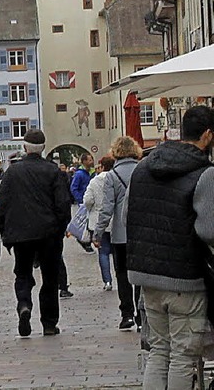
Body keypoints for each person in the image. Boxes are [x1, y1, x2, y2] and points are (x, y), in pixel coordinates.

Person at [126, 106, 214, 389]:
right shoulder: (205, 174)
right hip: (185, 277)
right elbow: (208, 231)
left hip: (146, 274)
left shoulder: (142, 168)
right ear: (208, 135)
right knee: (183, 354)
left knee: (158, 350)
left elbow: (130, 215)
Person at [0, 128, 71, 337]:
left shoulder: (12, 172)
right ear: (43, 148)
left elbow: (1, 205)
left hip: (20, 235)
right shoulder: (53, 171)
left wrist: (4, 232)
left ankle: (23, 304)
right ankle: (48, 323)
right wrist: (60, 229)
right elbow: (63, 204)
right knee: (50, 278)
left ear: (24, 148)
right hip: (48, 234)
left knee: (22, 273)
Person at [93, 136, 142, 331]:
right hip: (140, 233)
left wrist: (97, 233)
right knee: (139, 276)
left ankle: (127, 314)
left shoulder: (112, 176)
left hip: (120, 234)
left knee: (122, 274)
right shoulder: (142, 171)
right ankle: (141, 315)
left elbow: (107, 208)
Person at [84, 155, 116, 291]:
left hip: (98, 221)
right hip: (115, 221)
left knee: (103, 252)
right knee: (117, 252)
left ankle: (107, 281)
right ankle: (122, 278)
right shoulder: (116, 178)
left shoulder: (94, 181)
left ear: (102, 166)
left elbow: (87, 200)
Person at [70, 153, 95, 253]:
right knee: (85, 223)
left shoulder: (92, 173)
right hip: (83, 202)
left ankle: (86, 241)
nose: (92, 162)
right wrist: (80, 199)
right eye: (89, 160)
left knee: (90, 223)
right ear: (84, 161)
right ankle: (85, 241)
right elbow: (73, 188)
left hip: (92, 201)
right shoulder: (79, 174)